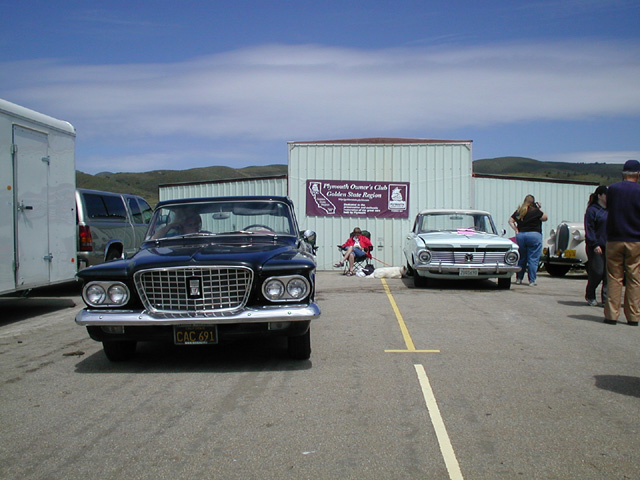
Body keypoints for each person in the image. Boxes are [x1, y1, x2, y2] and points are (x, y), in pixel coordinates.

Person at [603, 160, 640, 326]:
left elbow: (607, 207)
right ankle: (633, 316)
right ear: (638, 174)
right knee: (634, 278)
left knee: (614, 277)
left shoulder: (613, 189)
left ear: (622, 174)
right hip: (635, 239)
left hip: (614, 238)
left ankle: (612, 315)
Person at [508, 194, 548, 286]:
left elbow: (510, 221)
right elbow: (545, 218)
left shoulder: (519, 211)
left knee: (522, 257)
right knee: (533, 259)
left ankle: (519, 278)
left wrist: (516, 229)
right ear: (533, 202)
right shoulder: (536, 211)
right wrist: (539, 208)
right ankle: (532, 280)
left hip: (521, 235)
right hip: (534, 235)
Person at [584, 186, 608, 306]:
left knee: (608, 274)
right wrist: (594, 244)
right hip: (596, 246)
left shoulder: (611, 210)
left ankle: (606, 299)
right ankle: (590, 294)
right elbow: (589, 229)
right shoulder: (592, 210)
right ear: (600, 195)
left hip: (610, 245)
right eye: (606, 194)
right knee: (598, 271)